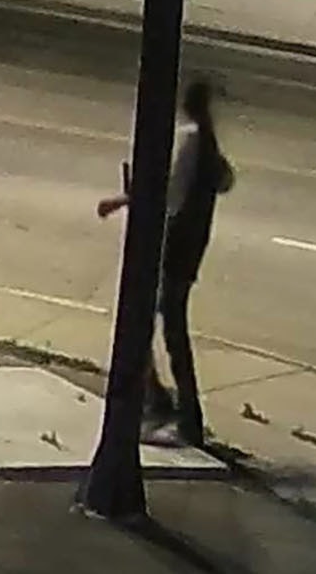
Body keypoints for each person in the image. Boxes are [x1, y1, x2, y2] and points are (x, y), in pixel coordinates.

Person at [97, 75, 234, 448]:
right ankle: (170, 405)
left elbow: (171, 199)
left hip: (173, 247)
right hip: (190, 248)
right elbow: (225, 181)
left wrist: (124, 201)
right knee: (168, 328)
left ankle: (171, 409)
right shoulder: (207, 141)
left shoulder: (190, 138)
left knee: (148, 324)